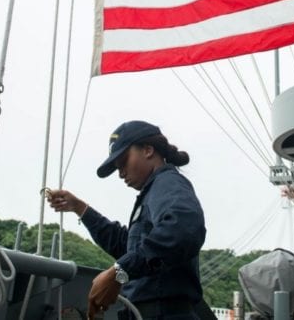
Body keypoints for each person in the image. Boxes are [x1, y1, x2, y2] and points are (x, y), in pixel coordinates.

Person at [47, 120, 207, 320]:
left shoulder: (167, 183)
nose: (121, 173)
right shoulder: (155, 191)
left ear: (148, 150)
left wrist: (118, 272)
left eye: (123, 162)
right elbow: (130, 248)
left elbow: (183, 230)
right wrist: (80, 208)